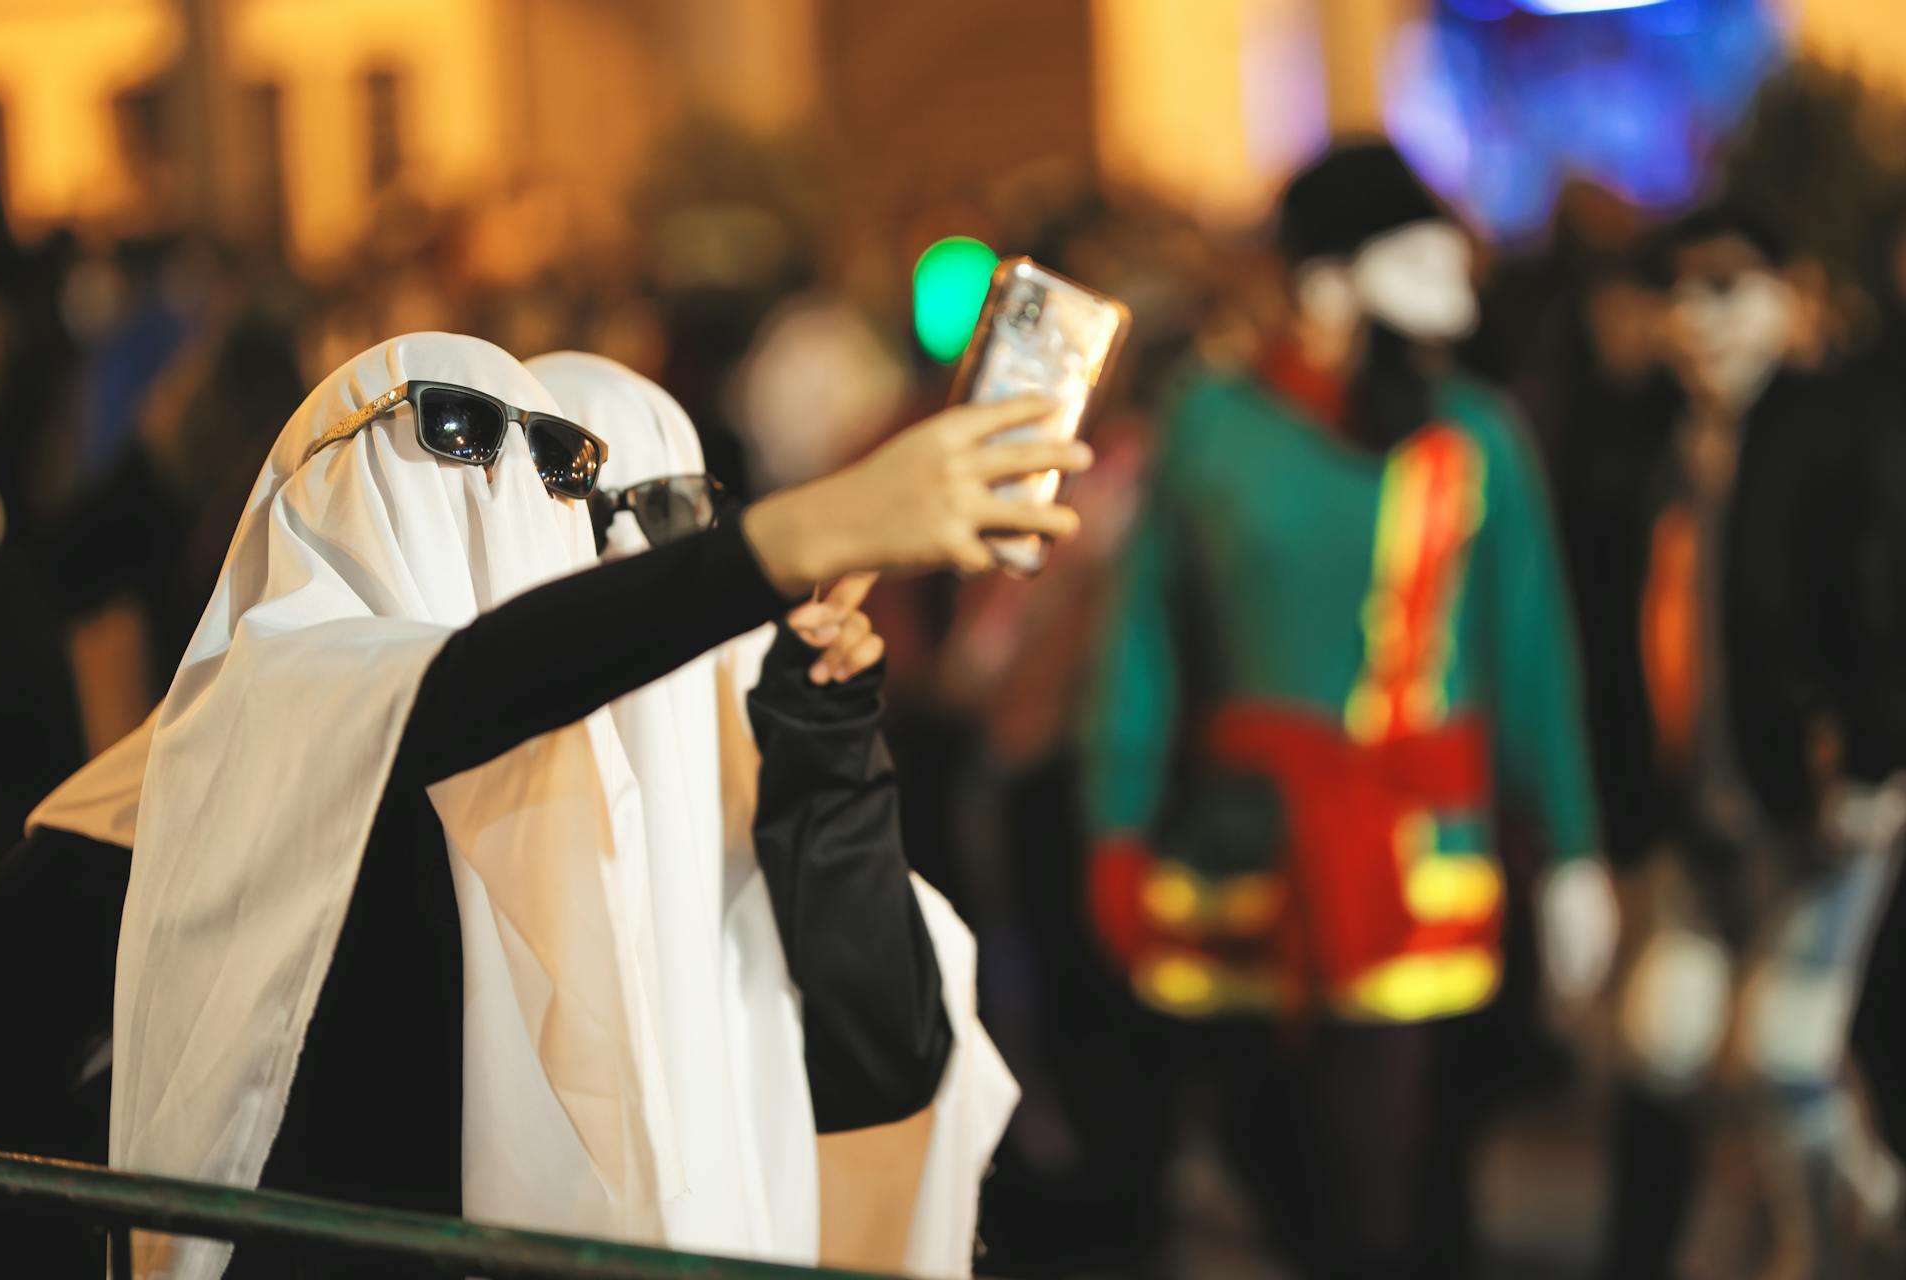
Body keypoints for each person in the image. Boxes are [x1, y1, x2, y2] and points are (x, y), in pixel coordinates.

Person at [101, 330, 1084, 1279]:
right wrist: (805, 533)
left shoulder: (674, 764)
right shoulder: (296, 707)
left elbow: (883, 1057)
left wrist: (818, 720)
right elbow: (463, 687)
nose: (520, 502)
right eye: (586, 505)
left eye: (555, 463)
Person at [1081, 140, 1617, 1278]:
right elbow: (1142, 646)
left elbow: (1533, 657)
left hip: (1419, 851)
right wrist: (1113, 823)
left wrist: (1572, 847)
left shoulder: (1476, 435)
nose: (1457, 300)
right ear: (1325, 280)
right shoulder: (1213, 423)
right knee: (1258, 1136)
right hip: (1242, 846)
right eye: (1419, 264)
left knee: (1400, 1173)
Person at [526, 350, 1018, 1274]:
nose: (626, 551)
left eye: (671, 511)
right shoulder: (422, 755)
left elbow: (882, 1057)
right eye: (582, 508)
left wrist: (824, 743)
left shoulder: (759, 729)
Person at [1596, 205, 1906, 1280]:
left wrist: (1871, 759)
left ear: (1791, 294)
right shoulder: (1657, 442)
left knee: (1782, 1045)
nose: (1696, 316)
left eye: (1726, 288)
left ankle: (1825, 1243)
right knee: (1664, 1036)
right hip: (1711, 801)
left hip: (1822, 803)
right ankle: (1832, 1196)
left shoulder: (1842, 427)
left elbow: (1883, 603)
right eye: (1677, 290)